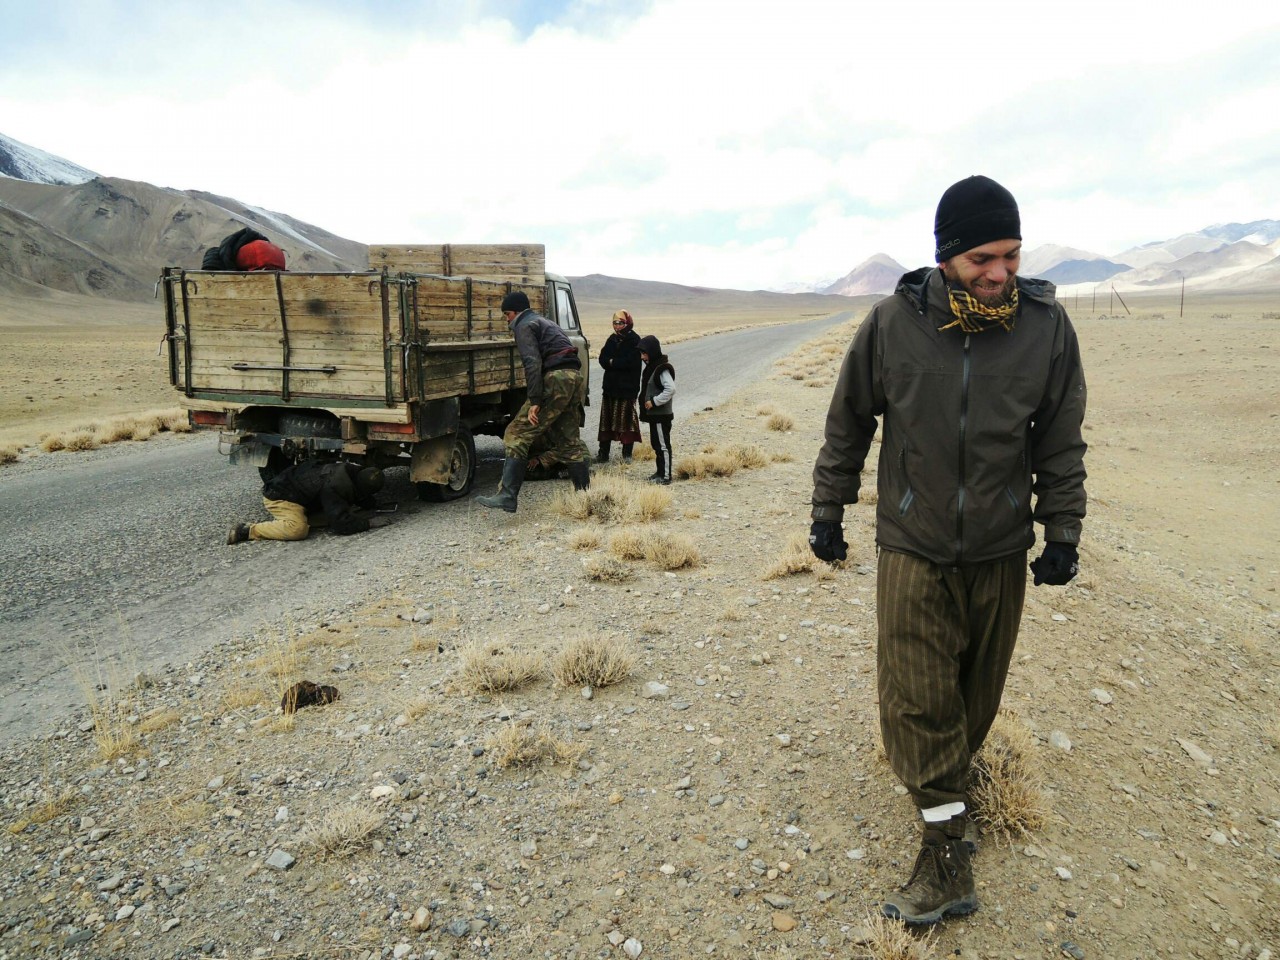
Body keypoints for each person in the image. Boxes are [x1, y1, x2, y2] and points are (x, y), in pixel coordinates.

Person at [809, 175, 1087, 925]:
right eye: (983, 259)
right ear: (947, 257)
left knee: (970, 705)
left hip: (999, 549)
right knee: (916, 700)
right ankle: (946, 861)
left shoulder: (1045, 329)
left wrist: (1063, 529)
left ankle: (945, 797)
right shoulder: (894, 325)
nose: (1001, 273)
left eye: (1012, 256)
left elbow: (1060, 437)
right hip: (914, 543)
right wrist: (827, 509)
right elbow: (849, 423)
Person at [477, 291, 591, 512]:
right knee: (569, 441)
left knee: (516, 433)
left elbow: (532, 363)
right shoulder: (545, 322)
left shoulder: (524, 325)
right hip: (573, 377)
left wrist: (535, 399)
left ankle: (507, 495)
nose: (507, 319)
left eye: (507, 314)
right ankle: (586, 497)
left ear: (516, 311)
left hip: (556, 379)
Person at [227, 460, 385, 544]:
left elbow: (360, 496)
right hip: (280, 497)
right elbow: (340, 526)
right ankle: (247, 531)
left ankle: (301, 517)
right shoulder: (334, 486)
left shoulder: (348, 471)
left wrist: (374, 506)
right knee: (297, 530)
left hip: (299, 493)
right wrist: (369, 524)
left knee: (349, 512)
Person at [596, 309, 644, 463]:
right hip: (610, 388)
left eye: (620, 323)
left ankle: (627, 455)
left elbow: (630, 363)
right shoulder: (612, 339)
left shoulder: (635, 341)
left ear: (627, 323)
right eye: (615, 323)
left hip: (627, 389)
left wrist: (612, 362)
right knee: (607, 420)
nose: (617, 326)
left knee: (626, 420)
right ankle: (603, 454)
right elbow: (602, 358)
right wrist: (613, 362)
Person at [637, 334, 676, 485]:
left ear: (652, 352)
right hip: (655, 416)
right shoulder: (653, 367)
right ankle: (659, 472)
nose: (642, 357)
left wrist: (654, 402)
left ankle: (666, 476)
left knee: (663, 446)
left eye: (644, 353)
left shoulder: (662, 369)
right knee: (656, 445)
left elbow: (671, 389)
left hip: (661, 415)